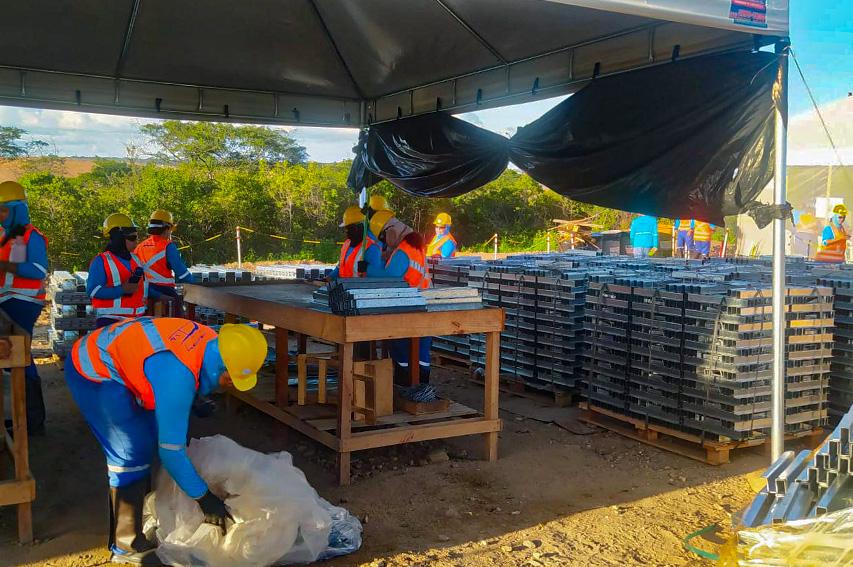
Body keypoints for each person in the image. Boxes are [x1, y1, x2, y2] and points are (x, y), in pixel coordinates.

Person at [65, 317, 268, 565]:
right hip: (95, 370)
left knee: (149, 436)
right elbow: (171, 452)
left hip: (124, 358)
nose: (231, 386)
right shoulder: (177, 375)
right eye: (230, 379)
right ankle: (126, 544)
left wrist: (194, 399)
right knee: (131, 450)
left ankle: (145, 515)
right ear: (220, 368)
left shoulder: (212, 342)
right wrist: (205, 499)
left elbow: (178, 368)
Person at [0, 181, 48, 432]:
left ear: (17, 209)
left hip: (24, 303)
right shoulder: (14, 235)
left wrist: (4, 265)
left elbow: (37, 270)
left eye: (4, 210)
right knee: (16, 357)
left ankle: (32, 419)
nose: (0, 215)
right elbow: (13, 269)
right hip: (8, 301)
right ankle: (26, 418)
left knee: (20, 356)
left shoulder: (31, 236)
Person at [367, 210, 432, 384]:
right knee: (420, 354)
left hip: (407, 309)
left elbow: (391, 276)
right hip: (423, 307)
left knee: (401, 350)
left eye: (382, 237)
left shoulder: (403, 251)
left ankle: (406, 389)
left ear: (391, 231)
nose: (383, 242)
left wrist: (368, 268)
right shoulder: (415, 247)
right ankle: (421, 390)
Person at [87, 214, 157, 328]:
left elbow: (142, 288)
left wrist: (160, 295)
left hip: (137, 320)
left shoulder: (136, 259)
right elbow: (92, 291)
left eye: (137, 237)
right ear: (119, 238)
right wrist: (122, 290)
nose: (136, 242)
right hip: (110, 322)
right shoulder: (101, 261)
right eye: (132, 238)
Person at [135, 209, 194, 315]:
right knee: (178, 314)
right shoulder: (168, 246)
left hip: (144, 291)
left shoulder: (140, 246)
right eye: (170, 230)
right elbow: (181, 273)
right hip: (164, 290)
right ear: (166, 229)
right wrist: (194, 282)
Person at [329, 206, 381, 280]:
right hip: (343, 288)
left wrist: (368, 271)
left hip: (358, 290)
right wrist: (330, 277)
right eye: (346, 229)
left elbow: (377, 277)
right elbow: (340, 267)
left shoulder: (372, 248)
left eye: (350, 228)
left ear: (360, 227)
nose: (347, 232)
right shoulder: (346, 244)